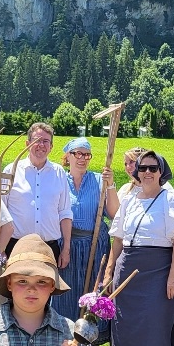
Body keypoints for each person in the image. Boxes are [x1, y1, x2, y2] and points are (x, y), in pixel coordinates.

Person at [104, 150, 174, 346]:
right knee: (129, 327)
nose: (148, 173)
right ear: (136, 172)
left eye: (153, 168)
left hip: (157, 268)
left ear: (161, 171)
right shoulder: (129, 199)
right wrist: (109, 270)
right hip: (127, 267)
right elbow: (118, 237)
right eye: (143, 168)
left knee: (154, 328)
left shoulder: (170, 198)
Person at [51, 137, 118, 322]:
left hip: (95, 244)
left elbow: (114, 214)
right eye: (77, 153)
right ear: (68, 156)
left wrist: (110, 184)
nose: (82, 158)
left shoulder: (99, 180)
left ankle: (91, 341)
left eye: (86, 154)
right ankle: (65, 335)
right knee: (67, 293)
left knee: (93, 291)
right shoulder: (60, 180)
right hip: (68, 245)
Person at [2, 122, 72, 265]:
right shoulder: (11, 171)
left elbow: (64, 213)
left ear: (51, 146)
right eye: (36, 140)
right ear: (27, 143)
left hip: (49, 248)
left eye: (46, 141)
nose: (41, 145)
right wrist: (1, 249)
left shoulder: (59, 173)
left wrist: (66, 249)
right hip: (16, 247)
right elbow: (1, 213)